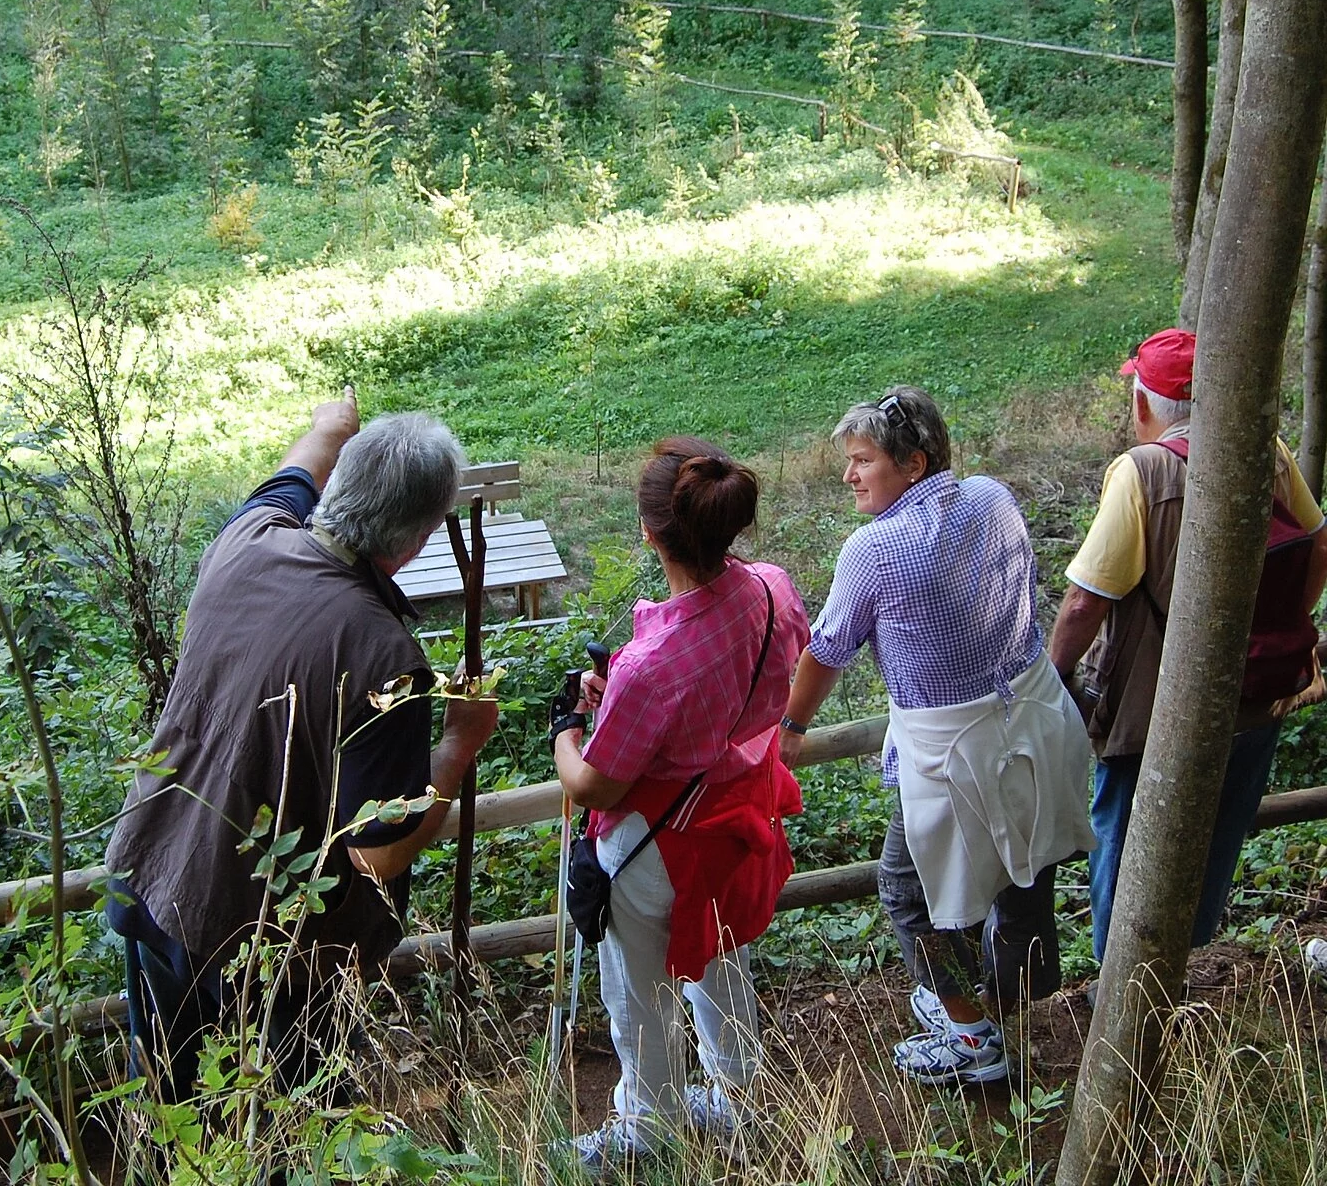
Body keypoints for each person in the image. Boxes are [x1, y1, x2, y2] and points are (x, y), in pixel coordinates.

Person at [104, 393, 499, 1103]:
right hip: (266, 950)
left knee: (167, 1113)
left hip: (155, 872)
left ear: (337, 483)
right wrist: (458, 743)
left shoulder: (249, 539)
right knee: (282, 1129)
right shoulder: (385, 659)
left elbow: (294, 474)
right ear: (416, 541)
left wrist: (329, 428)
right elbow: (378, 854)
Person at [778, 387, 1095, 1086]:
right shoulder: (993, 496)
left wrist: (792, 727)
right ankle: (1018, 989)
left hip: (954, 752)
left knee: (906, 889)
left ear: (914, 463)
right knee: (1027, 860)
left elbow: (826, 651)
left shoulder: (873, 549)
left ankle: (972, 1036)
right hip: (1038, 720)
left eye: (863, 460)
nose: (848, 475)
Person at [549, 437, 810, 1177]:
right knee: (723, 962)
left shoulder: (649, 666)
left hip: (654, 845)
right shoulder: (771, 589)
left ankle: (649, 1124)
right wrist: (622, 701)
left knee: (641, 991)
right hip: (735, 818)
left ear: (649, 532)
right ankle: (737, 1096)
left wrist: (567, 728)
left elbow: (594, 785)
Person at [1048, 329, 1327, 973]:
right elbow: (1318, 543)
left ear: (1144, 403)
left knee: (1124, 833)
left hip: (1155, 710)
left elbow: (1086, 601)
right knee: (1220, 827)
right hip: (1258, 694)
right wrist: (1283, 623)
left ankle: (1120, 981)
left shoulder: (1141, 471)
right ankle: (1178, 959)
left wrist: (1054, 674)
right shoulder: (1267, 450)